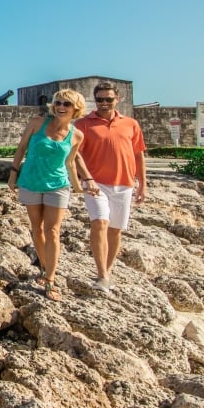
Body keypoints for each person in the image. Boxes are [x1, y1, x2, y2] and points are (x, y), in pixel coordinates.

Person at [8, 89, 87, 301]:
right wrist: (13, 174)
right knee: (37, 229)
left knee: (53, 231)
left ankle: (51, 279)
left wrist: (79, 187)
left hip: (58, 186)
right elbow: (21, 148)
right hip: (31, 182)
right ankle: (43, 268)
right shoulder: (37, 122)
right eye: (58, 102)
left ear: (75, 108)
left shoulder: (76, 135)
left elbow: (70, 163)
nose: (61, 107)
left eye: (67, 104)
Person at [75, 82, 147, 294]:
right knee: (100, 222)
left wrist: (143, 184)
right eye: (100, 99)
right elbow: (74, 154)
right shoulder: (83, 124)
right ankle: (102, 275)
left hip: (124, 184)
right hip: (97, 185)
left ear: (118, 99)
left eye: (108, 99)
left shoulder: (131, 124)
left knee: (115, 230)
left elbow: (138, 154)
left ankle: (107, 270)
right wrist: (84, 179)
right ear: (94, 100)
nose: (104, 103)